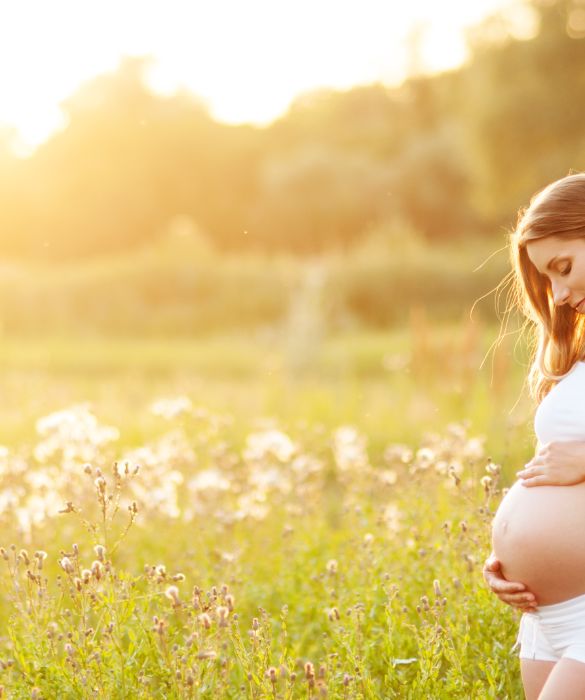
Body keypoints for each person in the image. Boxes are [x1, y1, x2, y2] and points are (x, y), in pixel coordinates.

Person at [484, 173, 585, 699]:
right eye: (549, 279)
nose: (561, 294)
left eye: (564, 267)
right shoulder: (576, 361)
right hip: (547, 615)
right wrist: (505, 559)